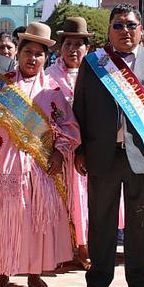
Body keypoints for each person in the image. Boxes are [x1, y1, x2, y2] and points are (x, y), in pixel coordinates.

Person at [0, 22, 80, 287]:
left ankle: (35, 273)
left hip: (40, 167)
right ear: (19, 53)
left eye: (39, 54)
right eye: (28, 52)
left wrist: (59, 153)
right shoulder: (1, 86)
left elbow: (69, 128)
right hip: (4, 164)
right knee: (5, 220)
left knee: (36, 220)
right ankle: (3, 271)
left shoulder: (52, 91)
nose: (32, 58)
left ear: (45, 58)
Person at [73, 3, 144, 287]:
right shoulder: (94, 63)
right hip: (102, 154)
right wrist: (81, 149)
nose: (125, 31)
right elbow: (79, 109)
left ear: (141, 30)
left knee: (139, 222)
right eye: (118, 25)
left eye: (131, 25)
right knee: (101, 221)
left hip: (142, 157)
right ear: (109, 30)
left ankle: (140, 281)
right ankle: (98, 279)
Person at [45, 16, 92, 268]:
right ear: (60, 48)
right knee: (61, 198)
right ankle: (61, 248)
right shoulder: (49, 76)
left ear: (88, 48)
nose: (73, 50)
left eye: (79, 44)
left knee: (85, 198)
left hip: (90, 148)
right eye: (68, 44)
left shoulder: (97, 73)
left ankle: (85, 246)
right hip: (61, 149)